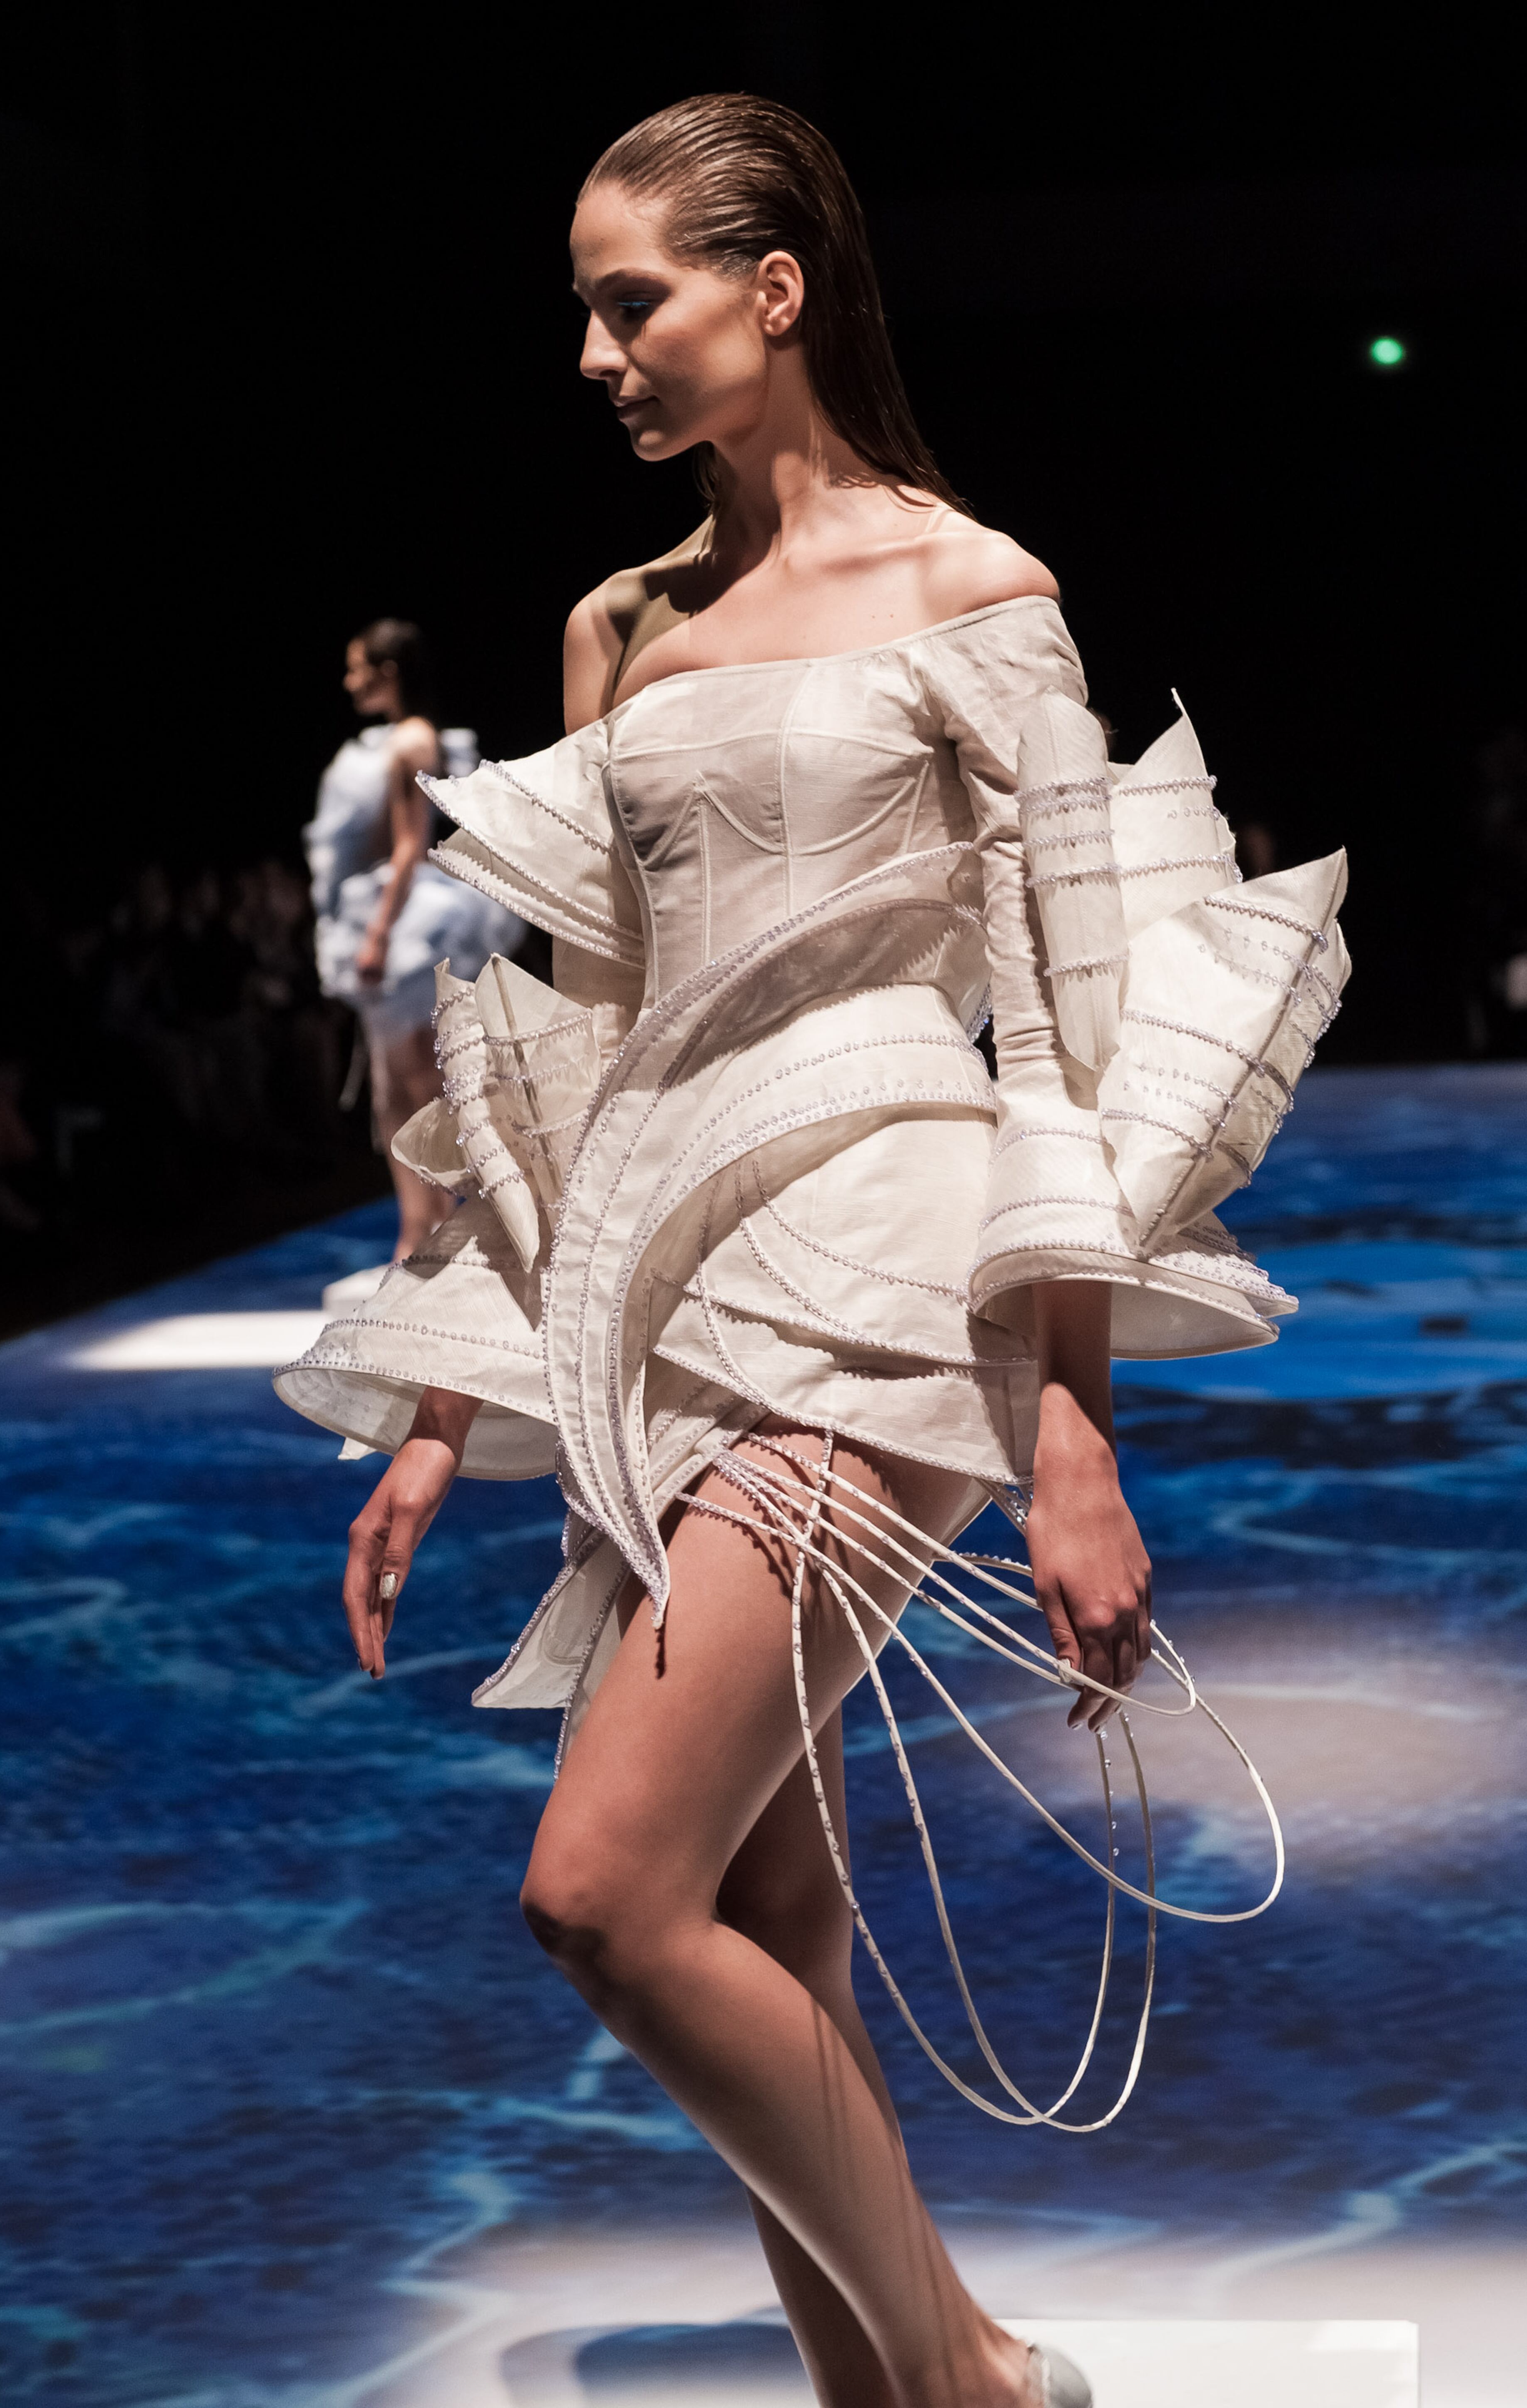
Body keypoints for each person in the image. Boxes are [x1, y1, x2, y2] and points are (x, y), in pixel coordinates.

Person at [277, 97, 1348, 2408]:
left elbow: (1063, 1024)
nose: (595, 354)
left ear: (775, 289)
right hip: (661, 1291)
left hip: (886, 1271)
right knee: (772, 1911)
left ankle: (965, 2372)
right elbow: (572, 1040)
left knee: (603, 1892)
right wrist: (451, 1394)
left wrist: (1073, 1432)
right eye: (582, 310)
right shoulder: (626, 628)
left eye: (631, 300)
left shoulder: (982, 592)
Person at [304, 619, 523, 1260]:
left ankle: (438, 1225)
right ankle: (419, 1226)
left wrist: (377, 933)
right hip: (393, 916)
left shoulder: (414, 742)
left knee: (419, 1079)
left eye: (358, 668)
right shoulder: (401, 740)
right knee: (394, 1083)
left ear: (388, 672)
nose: (350, 682)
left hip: (406, 921)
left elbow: (410, 845)